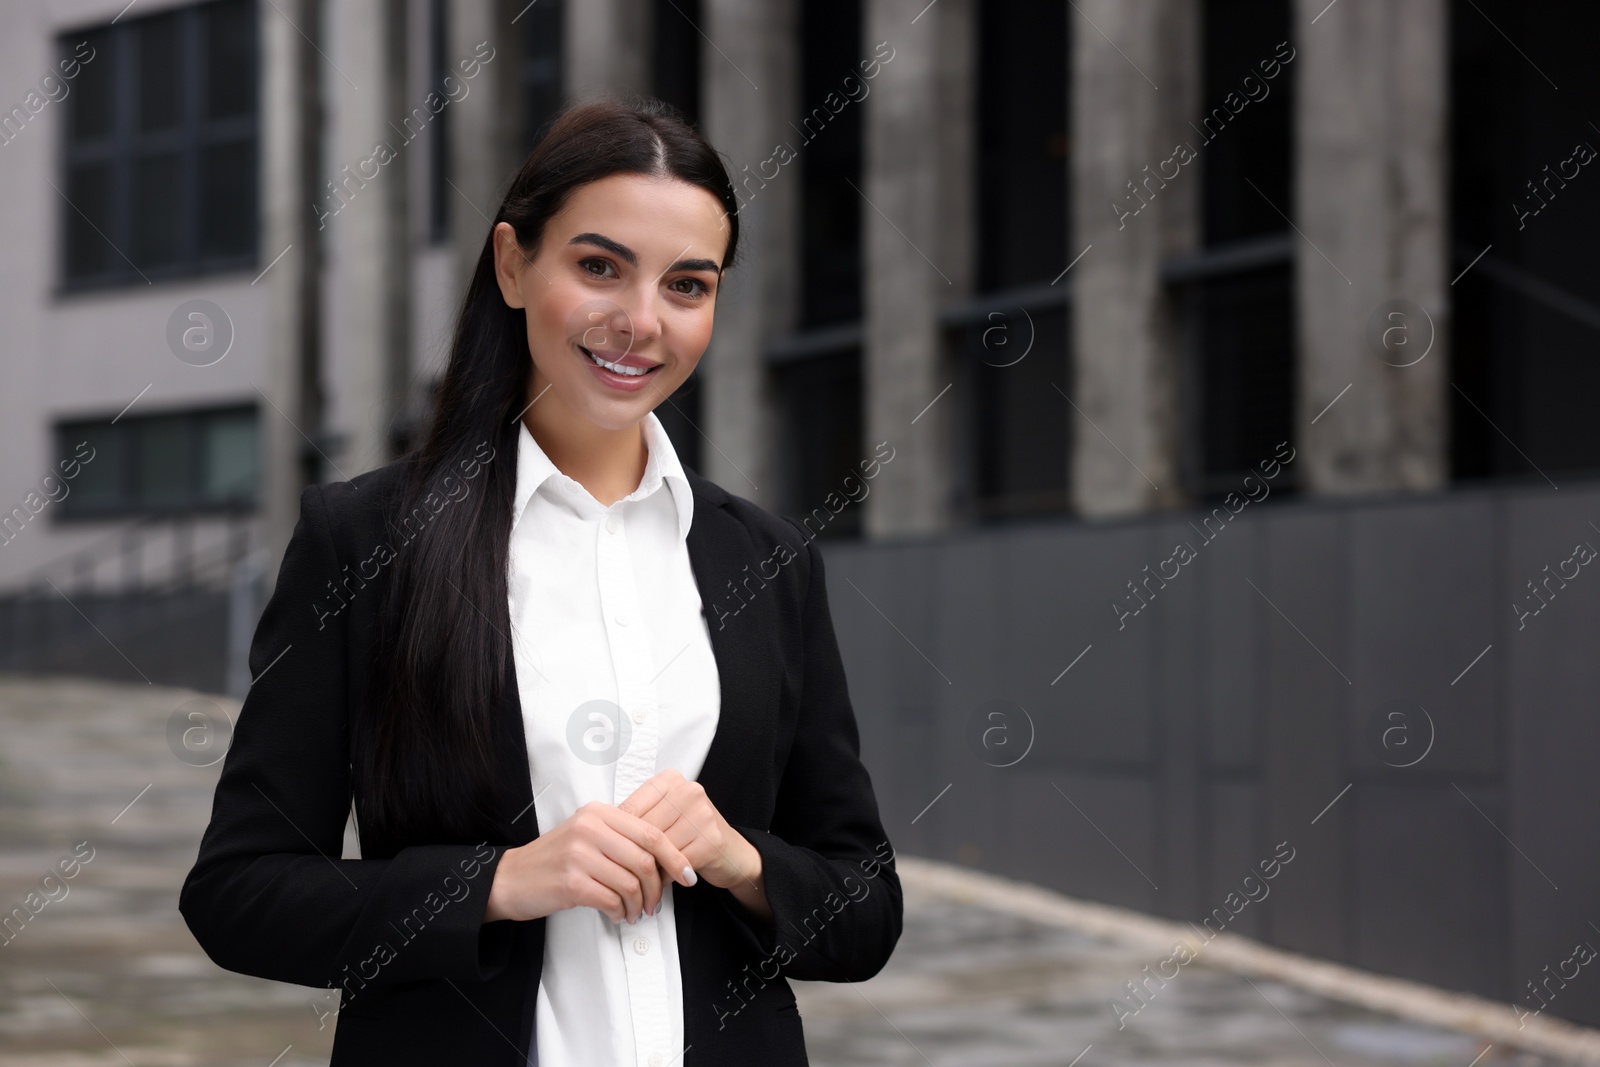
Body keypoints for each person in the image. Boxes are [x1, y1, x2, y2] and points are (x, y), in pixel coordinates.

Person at [179, 94, 903, 1066]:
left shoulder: (767, 561)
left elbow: (865, 910)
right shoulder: (367, 539)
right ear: (514, 264)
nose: (641, 321)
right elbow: (240, 896)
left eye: (688, 286)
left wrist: (742, 859)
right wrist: (498, 881)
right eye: (599, 266)